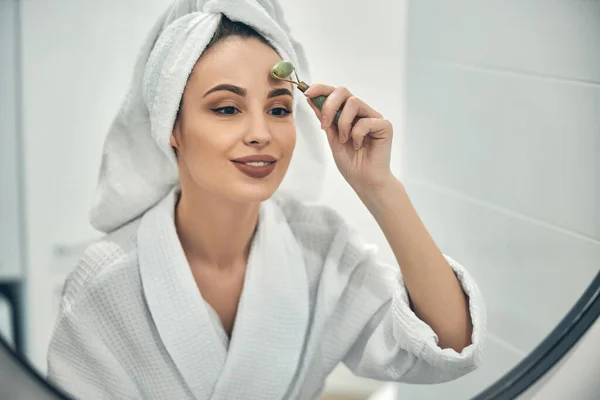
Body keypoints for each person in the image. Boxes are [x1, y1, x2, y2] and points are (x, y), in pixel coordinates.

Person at [47, 1, 486, 399]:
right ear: (171, 127)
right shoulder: (104, 286)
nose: (261, 133)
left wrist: (380, 188)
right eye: (226, 108)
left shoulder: (321, 251)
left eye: (278, 109)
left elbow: (447, 343)